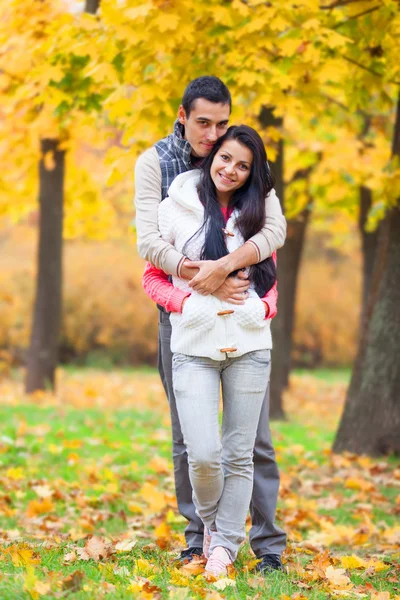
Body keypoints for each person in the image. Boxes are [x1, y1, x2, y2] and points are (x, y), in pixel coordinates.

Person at [134, 76, 286, 572]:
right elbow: (151, 246)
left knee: (251, 441)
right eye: (203, 123)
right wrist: (205, 281)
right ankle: (200, 540)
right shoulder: (159, 165)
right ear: (182, 115)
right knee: (190, 439)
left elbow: (274, 233)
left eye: (221, 124)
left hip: (244, 326)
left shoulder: (240, 164)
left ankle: (265, 546)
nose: (213, 134)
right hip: (182, 316)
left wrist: (247, 289)